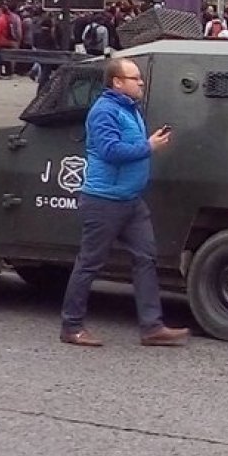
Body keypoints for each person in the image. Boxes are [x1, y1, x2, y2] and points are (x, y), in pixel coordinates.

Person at [59, 57, 189, 347]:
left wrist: (148, 142)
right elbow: (110, 150)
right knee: (89, 264)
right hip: (104, 200)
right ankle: (71, 326)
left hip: (130, 200)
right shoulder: (104, 111)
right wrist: (148, 146)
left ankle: (152, 327)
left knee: (145, 258)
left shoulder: (129, 110)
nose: (141, 82)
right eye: (135, 78)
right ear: (117, 83)